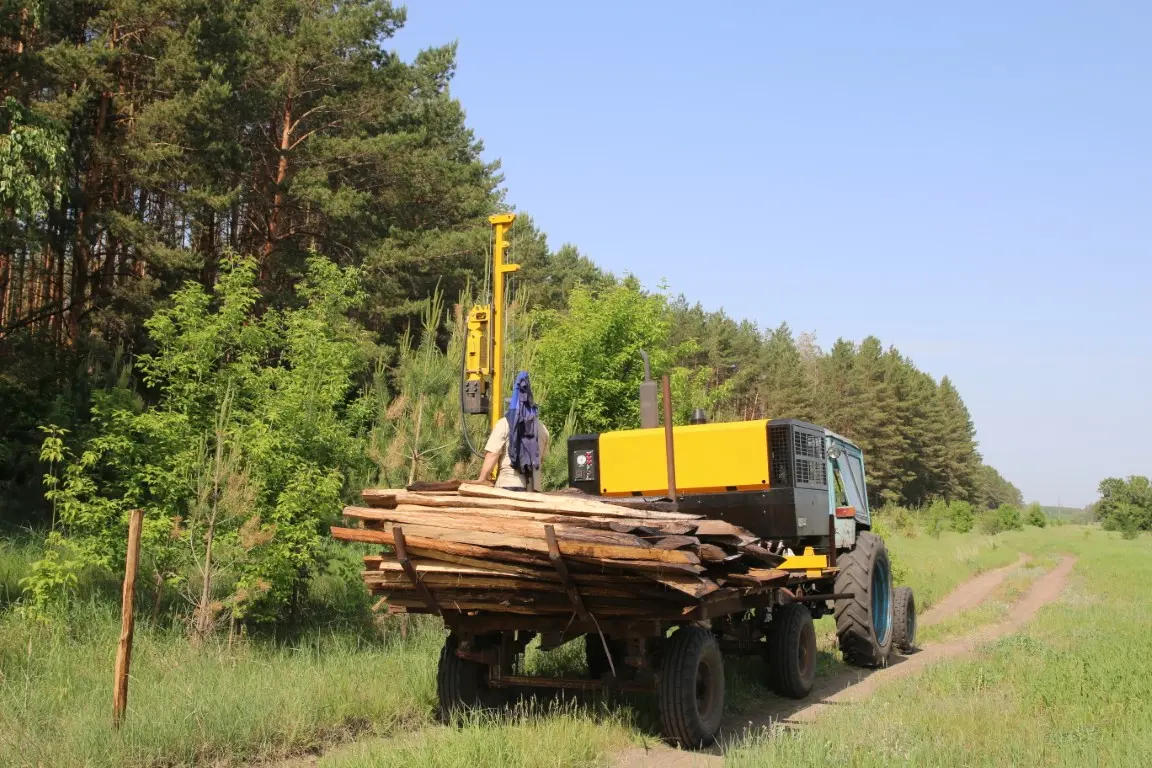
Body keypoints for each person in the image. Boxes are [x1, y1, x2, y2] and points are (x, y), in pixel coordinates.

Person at [477, 371, 550, 491]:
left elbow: (492, 454)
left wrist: (482, 479)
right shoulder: (542, 428)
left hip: (509, 484)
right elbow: (541, 459)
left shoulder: (504, 424)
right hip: (533, 488)